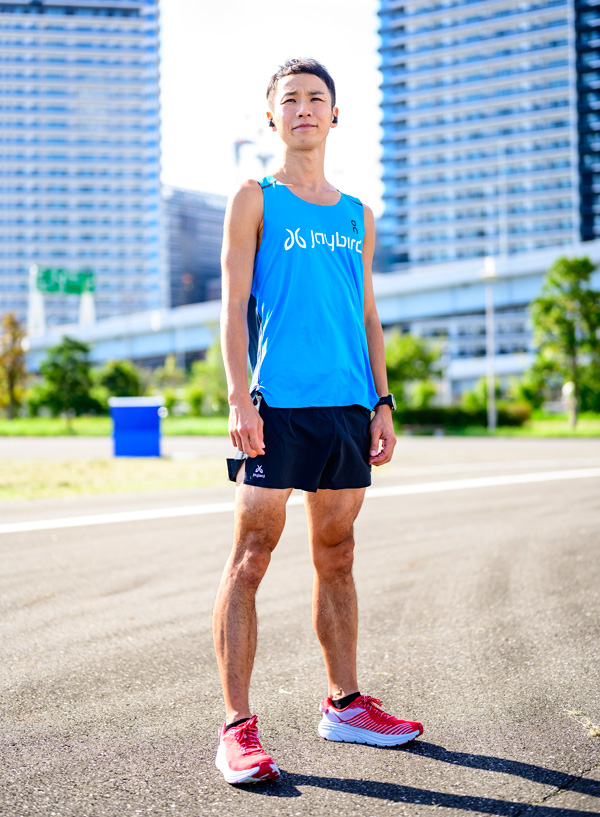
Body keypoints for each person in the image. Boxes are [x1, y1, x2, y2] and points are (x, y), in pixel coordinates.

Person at [213, 58, 423, 786]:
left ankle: (345, 704)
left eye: (317, 99)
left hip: (346, 409)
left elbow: (368, 314)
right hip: (275, 403)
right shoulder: (255, 197)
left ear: (337, 115)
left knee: (338, 553)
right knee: (251, 557)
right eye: (290, 99)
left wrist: (383, 401)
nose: (304, 109)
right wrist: (239, 398)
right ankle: (237, 727)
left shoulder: (358, 213)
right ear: (271, 116)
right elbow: (233, 305)